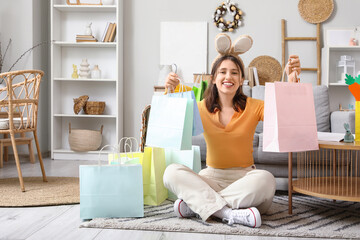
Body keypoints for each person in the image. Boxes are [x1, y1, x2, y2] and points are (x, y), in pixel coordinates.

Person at [163, 34, 301, 228]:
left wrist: (291, 83)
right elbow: (174, 121)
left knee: (267, 180)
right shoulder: (200, 107)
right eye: (223, 72)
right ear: (213, 78)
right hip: (210, 179)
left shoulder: (255, 106)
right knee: (171, 172)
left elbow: (285, 114)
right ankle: (229, 213)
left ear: (242, 79)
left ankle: (199, 206)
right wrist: (169, 90)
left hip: (246, 179)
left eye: (235, 73)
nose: (228, 77)